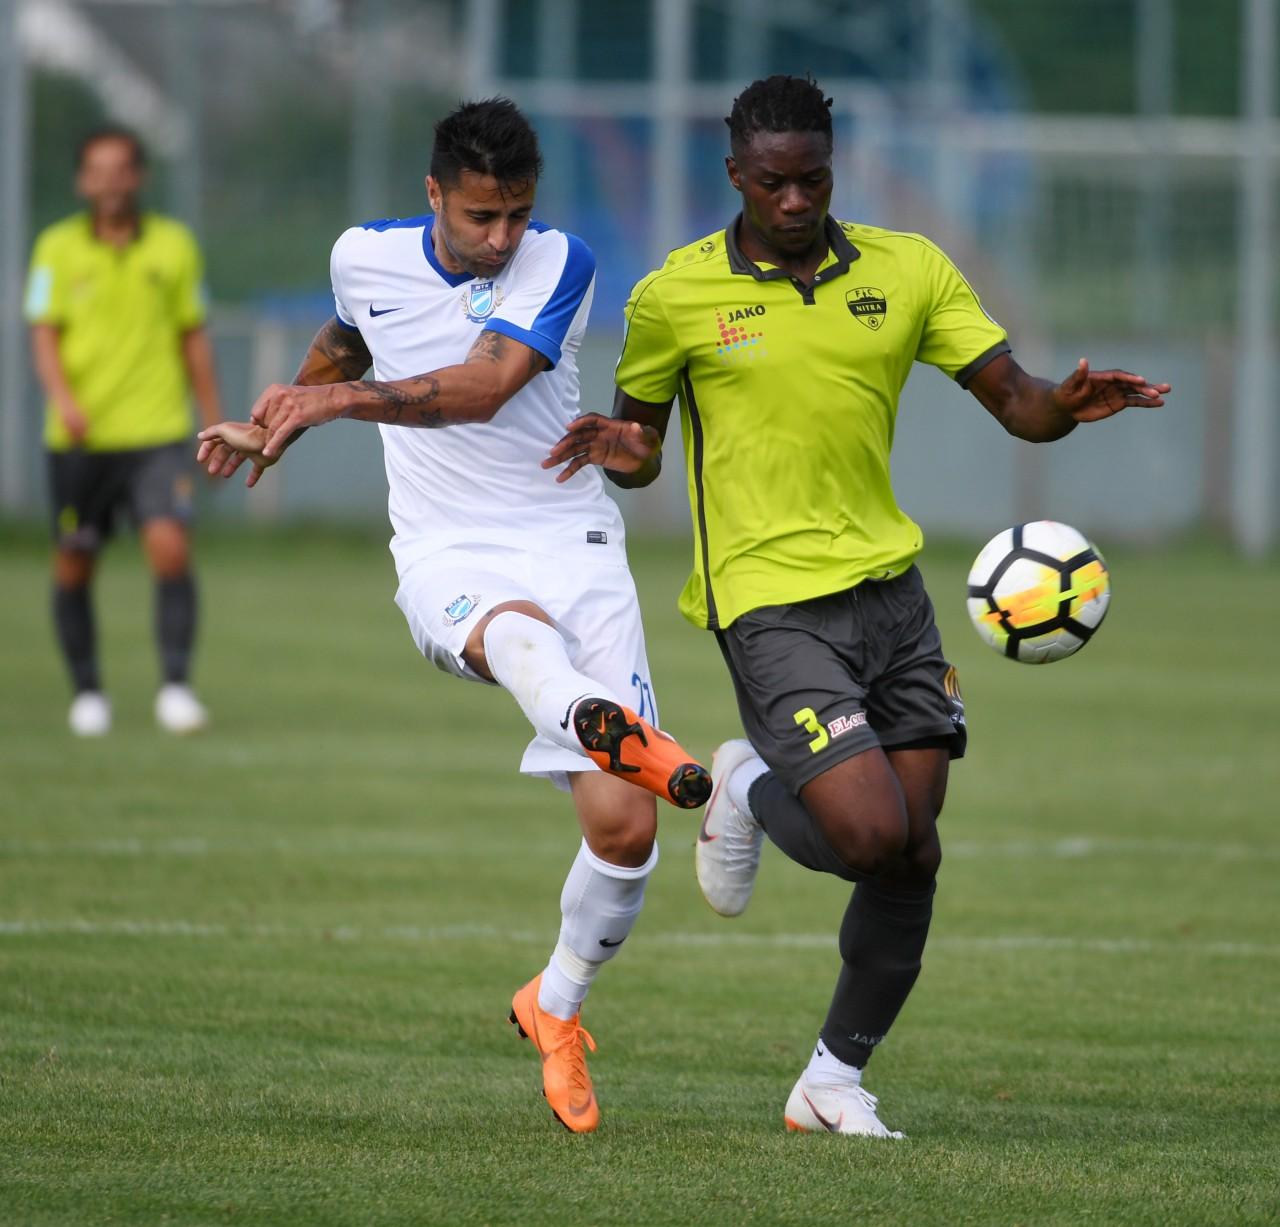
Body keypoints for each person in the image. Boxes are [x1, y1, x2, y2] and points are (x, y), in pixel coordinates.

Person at [544, 74, 1170, 1138]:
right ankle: (745, 783)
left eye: (814, 180)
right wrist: (620, 448)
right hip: (767, 601)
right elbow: (640, 447)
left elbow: (1015, 400)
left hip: (891, 594)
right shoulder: (673, 295)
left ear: (832, 169)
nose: (795, 200)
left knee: (913, 850)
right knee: (870, 833)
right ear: (735, 176)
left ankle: (830, 1081)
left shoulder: (907, 268)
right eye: (773, 183)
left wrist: (1065, 407)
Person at [196, 98, 711, 1135]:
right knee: (514, 636)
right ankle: (625, 733)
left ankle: (554, 1003)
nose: (502, 236)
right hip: (447, 551)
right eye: (481, 216)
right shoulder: (361, 255)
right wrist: (281, 413)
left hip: (570, 538)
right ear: (433, 193)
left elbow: (484, 388)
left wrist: (332, 405)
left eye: (517, 213)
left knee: (624, 830)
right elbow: (349, 338)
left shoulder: (558, 261)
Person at [25, 127, 224, 737]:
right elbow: (43, 333)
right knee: (74, 562)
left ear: (138, 177)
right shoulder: (55, 247)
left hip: (156, 431)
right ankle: (87, 693)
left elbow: (192, 335)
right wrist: (63, 400)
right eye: (97, 170)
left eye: (120, 169)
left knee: (171, 549)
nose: (109, 182)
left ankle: (175, 688)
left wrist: (213, 415)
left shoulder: (174, 245)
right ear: (82, 181)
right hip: (80, 440)